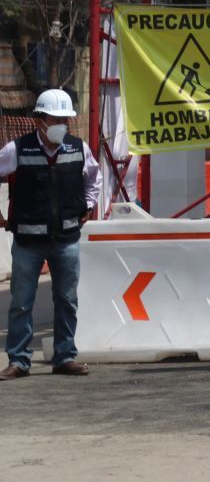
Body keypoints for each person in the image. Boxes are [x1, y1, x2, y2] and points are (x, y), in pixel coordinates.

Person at [1, 89, 101, 378]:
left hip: (66, 239)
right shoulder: (16, 150)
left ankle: (64, 357)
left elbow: (94, 177)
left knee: (67, 300)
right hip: (28, 242)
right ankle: (19, 360)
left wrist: (90, 205)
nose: (61, 124)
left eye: (64, 119)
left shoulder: (78, 148)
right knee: (21, 302)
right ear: (39, 121)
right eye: (55, 118)